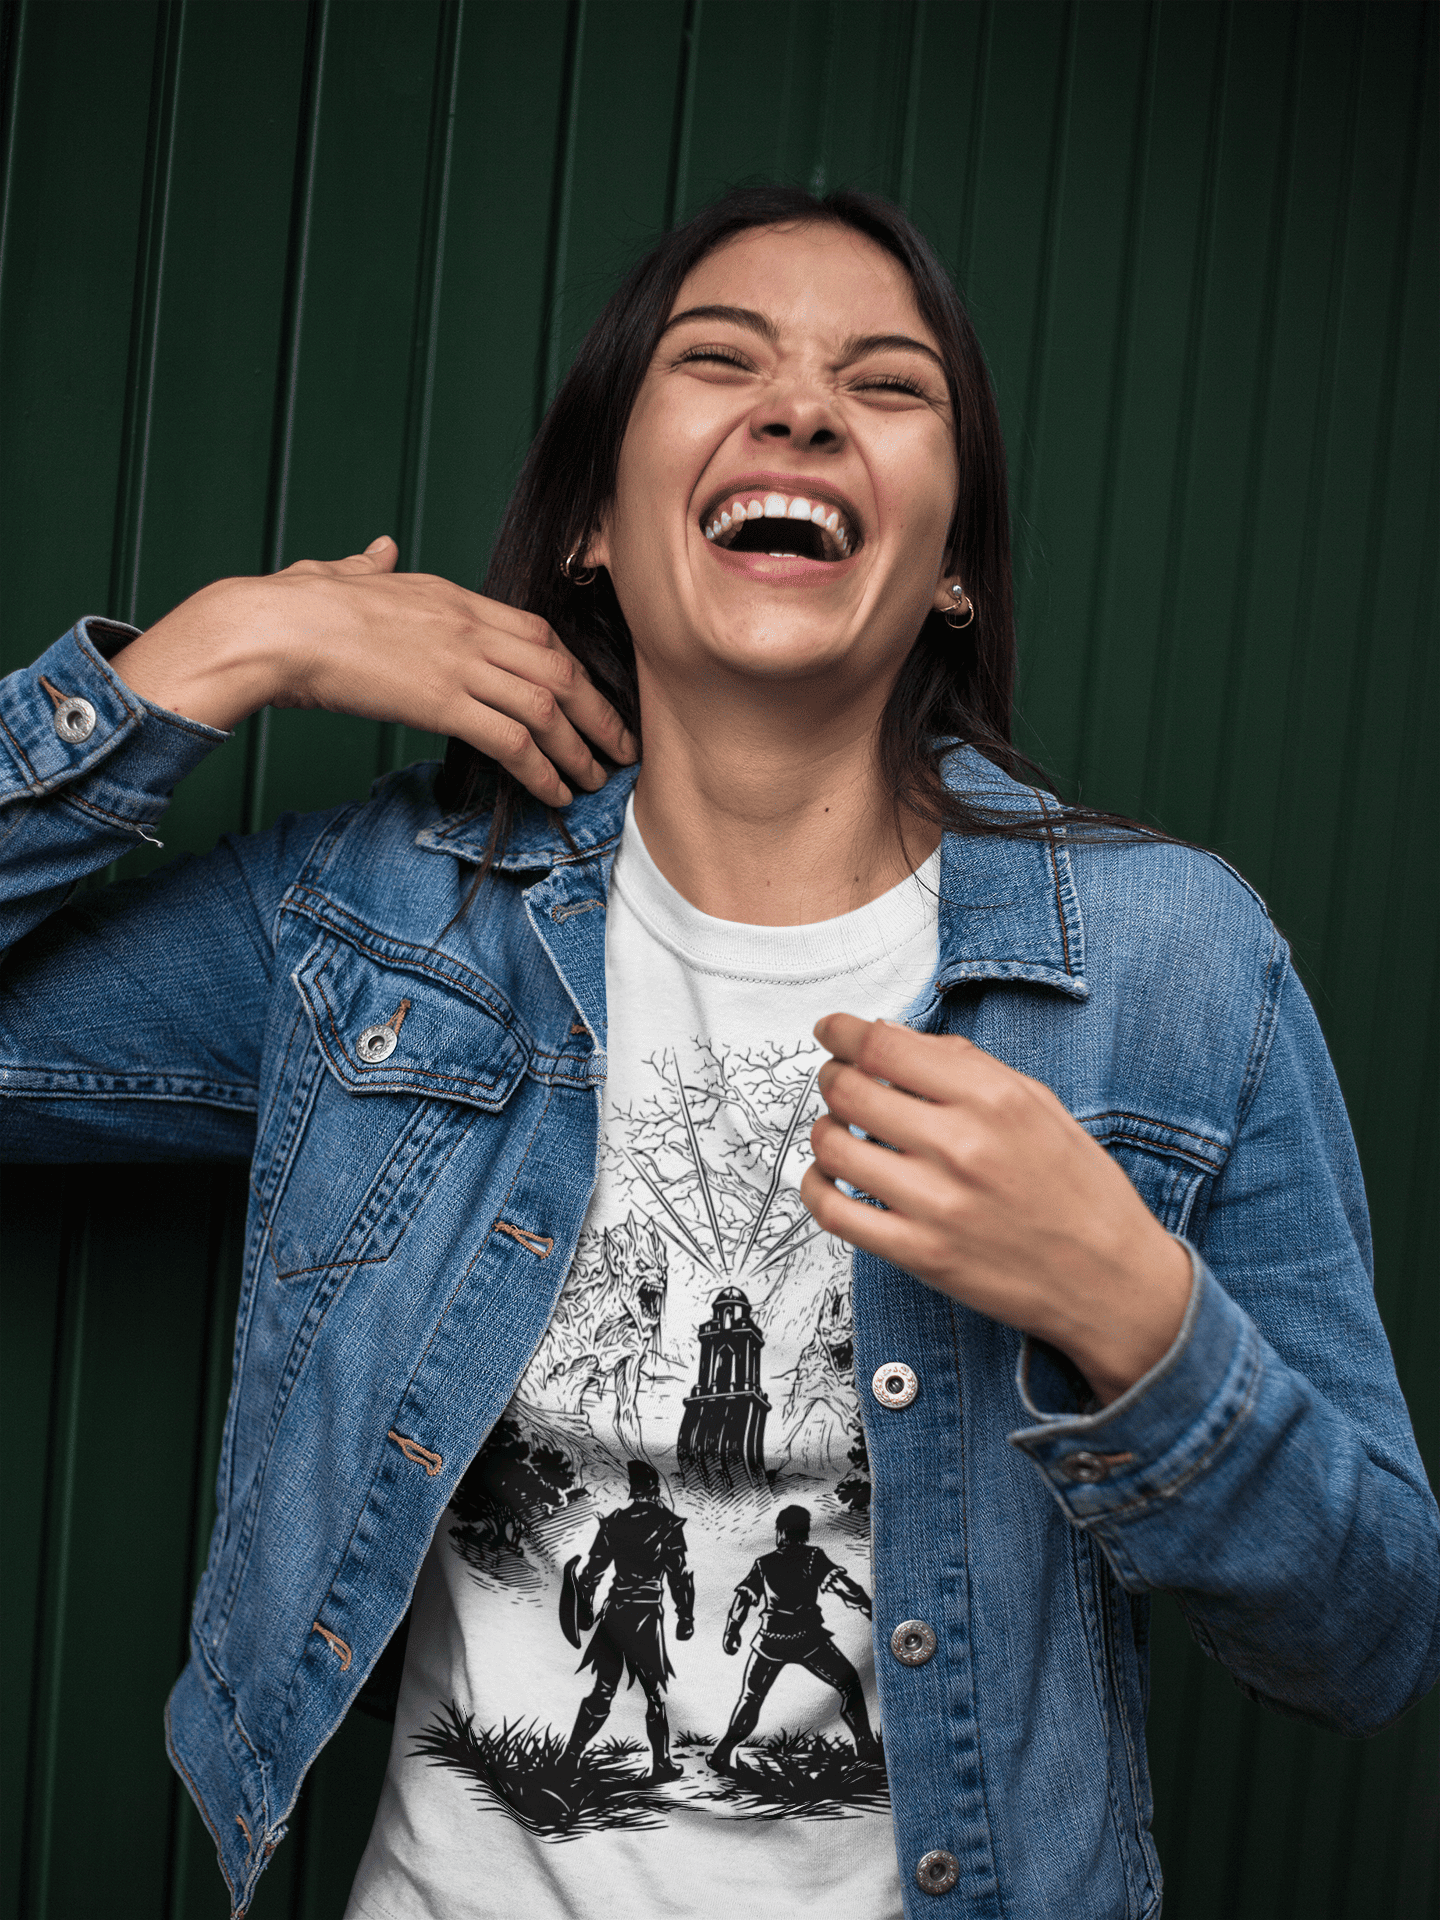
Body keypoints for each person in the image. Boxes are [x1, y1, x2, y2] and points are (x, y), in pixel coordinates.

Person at [0, 183, 1435, 1920]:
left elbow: (1370, 1639)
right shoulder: (385, 925)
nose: (805, 405)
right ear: (598, 520)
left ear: (958, 560)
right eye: (720, 359)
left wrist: (1135, 1315)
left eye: (888, 386)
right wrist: (216, 652)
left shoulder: (1175, 968)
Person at [710, 1503, 878, 1775]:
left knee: (751, 1698)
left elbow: (743, 1599)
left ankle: (722, 1753)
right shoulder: (813, 1557)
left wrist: (732, 1630)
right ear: (806, 1531)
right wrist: (869, 1609)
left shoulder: (764, 1563)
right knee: (850, 1686)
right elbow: (843, 1587)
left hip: (770, 1641)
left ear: (780, 1531)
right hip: (808, 1638)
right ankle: (865, 1744)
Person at [561, 1459, 694, 1782]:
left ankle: (571, 1757)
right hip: (646, 1618)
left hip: (615, 1614)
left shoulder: (614, 1523)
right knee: (653, 1694)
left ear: (633, 1489)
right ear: (655, 1489)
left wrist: (585, 1609)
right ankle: (661, 1764)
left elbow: (591, 1575)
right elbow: (678, 1576)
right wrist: (684, 1616)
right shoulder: (667, 1524)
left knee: (603, 1689)